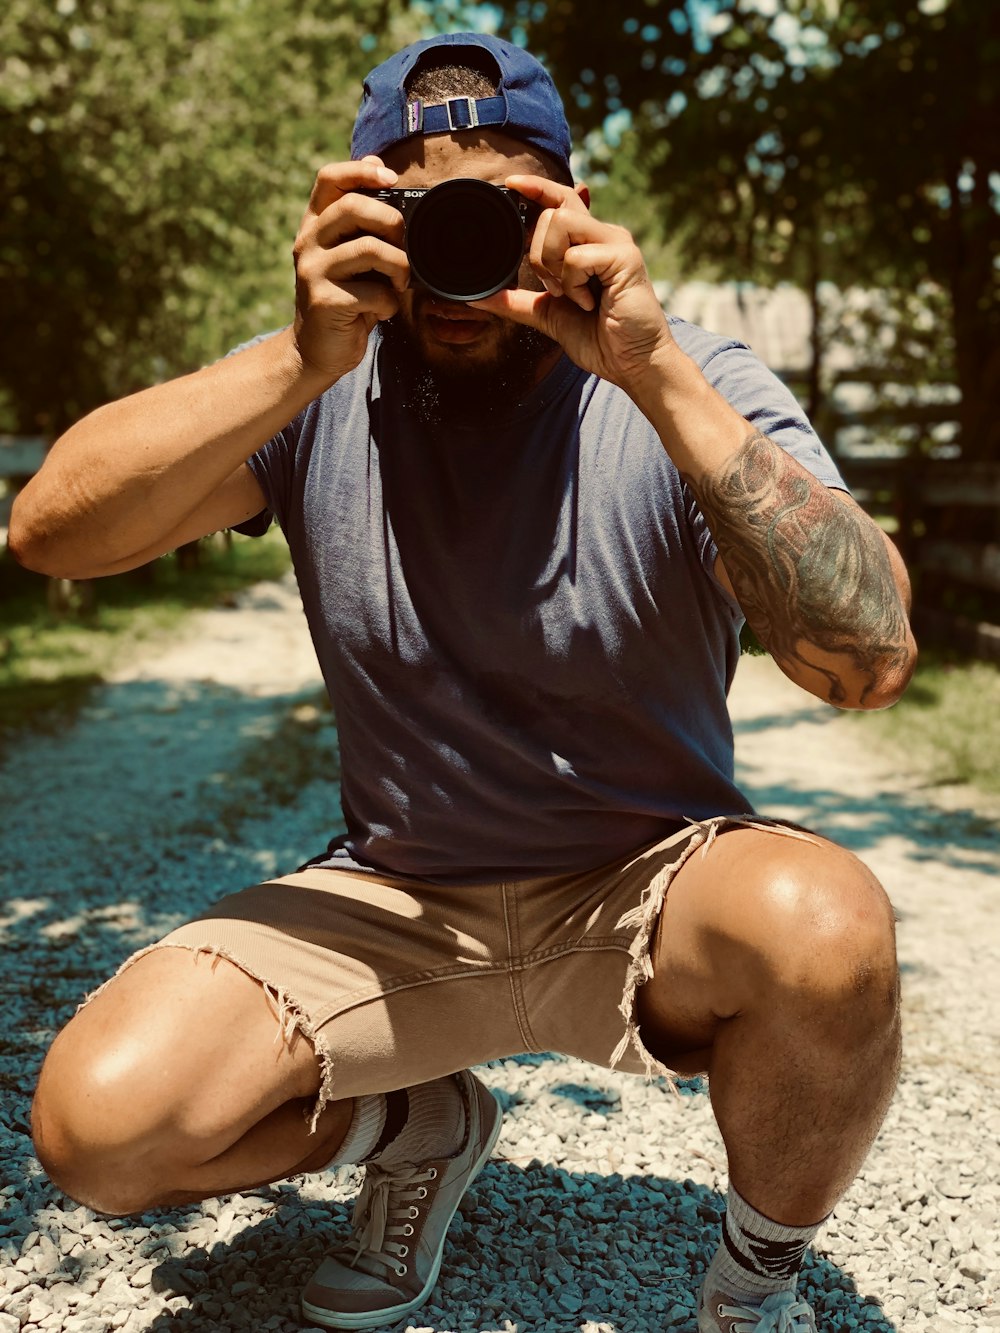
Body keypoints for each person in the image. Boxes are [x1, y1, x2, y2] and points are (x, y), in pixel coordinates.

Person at [10, 31, 916, 1333]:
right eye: (420, 214)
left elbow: (870, 657)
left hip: (642, 887)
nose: (459, 256)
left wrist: (654, 373)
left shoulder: (681, 377)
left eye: (494, 210)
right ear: (360, 216)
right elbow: (53, 532)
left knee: (824, 924)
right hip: (397, 895)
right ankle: (419, 1121)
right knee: (99, 1125)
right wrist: (299, 357)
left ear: (570, 214)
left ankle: (748, 1292)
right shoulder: (324, 384)